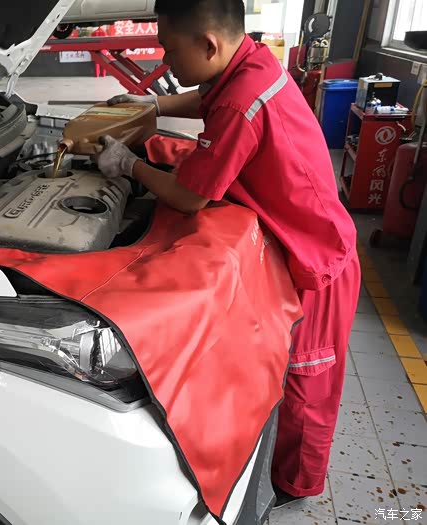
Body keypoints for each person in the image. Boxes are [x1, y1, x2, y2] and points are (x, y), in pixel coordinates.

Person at [95, 0, 361, 508]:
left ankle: (295, 488)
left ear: (208, 44)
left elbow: (190, 196)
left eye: (170, 51)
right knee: (294, 374)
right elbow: (209, 99)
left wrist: (128, 165)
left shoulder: (242, 102)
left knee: (308, 382)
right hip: (301, 242)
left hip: (320, 261)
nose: (166, 62)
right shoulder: (251, 63)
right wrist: (152, 106)